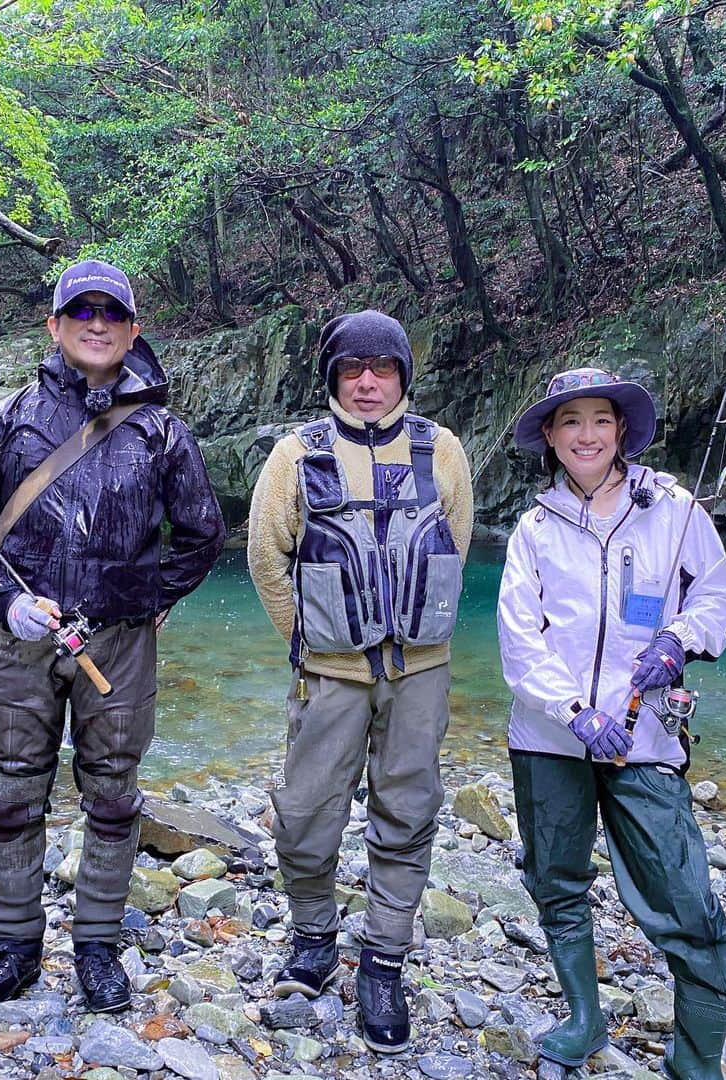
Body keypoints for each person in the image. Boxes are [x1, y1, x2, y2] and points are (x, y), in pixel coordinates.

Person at [0, 259, 225, 1013]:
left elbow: (202, 535)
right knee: (13, 797)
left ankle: (97, 947)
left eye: (112, 313)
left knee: (114, 795)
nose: (97, 324)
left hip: (119, 643)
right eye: (81, 311)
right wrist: (4, 601)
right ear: (54, 325)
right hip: (18, 641)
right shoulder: (2, 420)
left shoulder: (161, 431)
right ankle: (17, 948)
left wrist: (147, 596)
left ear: (133, 330)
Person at [497, 367, 726, 1078]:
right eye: (570, 422)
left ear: (622, 429)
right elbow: (519, 641)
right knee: (556, 879)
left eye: (600, 419)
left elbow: (716, 599)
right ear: (550, 436)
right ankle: (583, 1018)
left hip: (648, 739)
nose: (587, 435)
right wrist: (576, 714)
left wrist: (680, 640)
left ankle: (698, 1061)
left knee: (686, 899)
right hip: (548, 739)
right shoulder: (533, 529)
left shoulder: (676, 509)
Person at [248, 310, 473, 1053]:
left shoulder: (442, 451)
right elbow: (266, 561)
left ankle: (383, 961)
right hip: (329, 675)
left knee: (408, 812)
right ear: (334, 377)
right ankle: (313, 938)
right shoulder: (293, 456)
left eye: (382, 367)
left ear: (404, 374)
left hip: (421, 673)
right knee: (307, 814)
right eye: (353, 369)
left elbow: (456, 545)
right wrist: (314, 644)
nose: (368, 381)